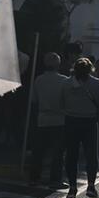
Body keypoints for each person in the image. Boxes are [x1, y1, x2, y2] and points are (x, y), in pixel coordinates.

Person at [59, 56, 99, 198]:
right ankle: (91, 186)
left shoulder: (66, 83)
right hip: (90, 122)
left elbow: (61, 103)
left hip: (71, 121)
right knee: (91, 155)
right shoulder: (97, 84)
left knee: (71, 155)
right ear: (90, 70)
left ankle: (72, 188)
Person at [26, 52, 69, 187]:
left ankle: (34, 178)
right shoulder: (64, 80)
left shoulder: (38, 79)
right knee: (58, 152)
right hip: (60, 120)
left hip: (43, 119)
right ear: (58, 65)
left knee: (39, 151)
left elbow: (34, 100)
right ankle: (55, 179)